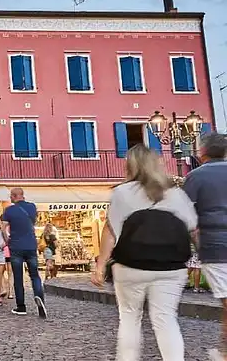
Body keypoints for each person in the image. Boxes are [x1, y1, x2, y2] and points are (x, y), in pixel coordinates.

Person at [92, 144, 197, 361]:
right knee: (166, 319)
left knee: (130, 318)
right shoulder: (175, 193)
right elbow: (194, 228)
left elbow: (110, 232)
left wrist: (100, 265)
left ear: (130, 166)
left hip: (130, 266)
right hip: (171, 267)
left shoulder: (122, 192)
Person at [182, 133, 227, 361]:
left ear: (202, 152)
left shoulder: (195, 177)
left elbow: (185, 215)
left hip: (215, 245)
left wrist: (196, 242)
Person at [2, 187, 47, 319]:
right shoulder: (32, 207)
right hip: (31, 245)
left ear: (14, 196)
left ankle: (21, 307)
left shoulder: (9, 210)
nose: (10, 198)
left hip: (16, 246)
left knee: (18, 277)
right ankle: (40, 300)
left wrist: (7, 241)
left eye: (11, 196)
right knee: (35, 275)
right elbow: (33, 222)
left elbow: (3, 228)